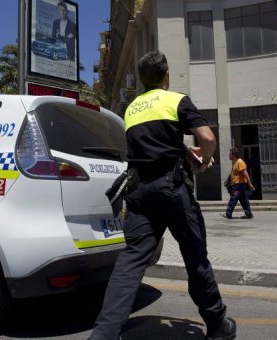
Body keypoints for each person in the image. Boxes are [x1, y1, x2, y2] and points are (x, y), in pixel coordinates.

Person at [89, 51, 236, 340]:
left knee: (130, 263)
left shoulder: (131, 110)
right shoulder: (175, 100)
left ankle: (103, 335)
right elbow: (207, 138)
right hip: (172, 190)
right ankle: (218, 326)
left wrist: (182, 151)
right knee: (195, 258)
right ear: (166, 75)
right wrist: (203, 160)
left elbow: (151, 145)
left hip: (139, 194)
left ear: (143, 80)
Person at [222, 148, 255, 219]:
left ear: (233, 155)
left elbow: (245, 173)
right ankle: (248, 214)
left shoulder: (240, 162)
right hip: (239, 185)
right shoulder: (236, 162)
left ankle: (228, 213)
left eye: (230, 154)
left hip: (238, 185)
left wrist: (250, 184)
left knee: (233, 198)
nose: (229, 155)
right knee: (244, 200)